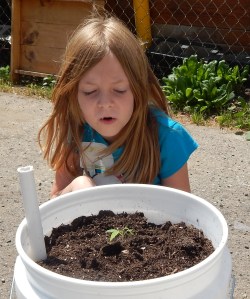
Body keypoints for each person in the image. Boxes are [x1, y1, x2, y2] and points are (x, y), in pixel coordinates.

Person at [38, 14, 198, 198]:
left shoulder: (168, 138)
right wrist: (78, 186)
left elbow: (183, 212)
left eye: (120, 90)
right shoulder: (78, 130)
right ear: (73, 94)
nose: (105, 104)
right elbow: (55, 200)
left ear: (139, 89)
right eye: (90, 91)